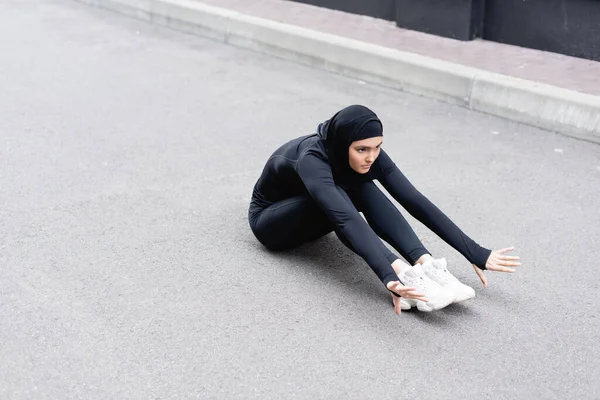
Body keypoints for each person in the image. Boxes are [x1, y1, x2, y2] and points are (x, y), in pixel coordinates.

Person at [248, 105, 520, 314]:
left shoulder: (368, 153)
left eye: (377, 147)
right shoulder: (312, 158)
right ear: (343, 144)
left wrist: (474, 252)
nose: (371, 156)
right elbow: (346, 219)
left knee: (363, 185)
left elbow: (414, 199)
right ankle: (406, 275)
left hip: (319, 212)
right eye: (362, 149)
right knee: (344, 195)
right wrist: (389, 275)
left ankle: (427, 265)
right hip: (272, 221)